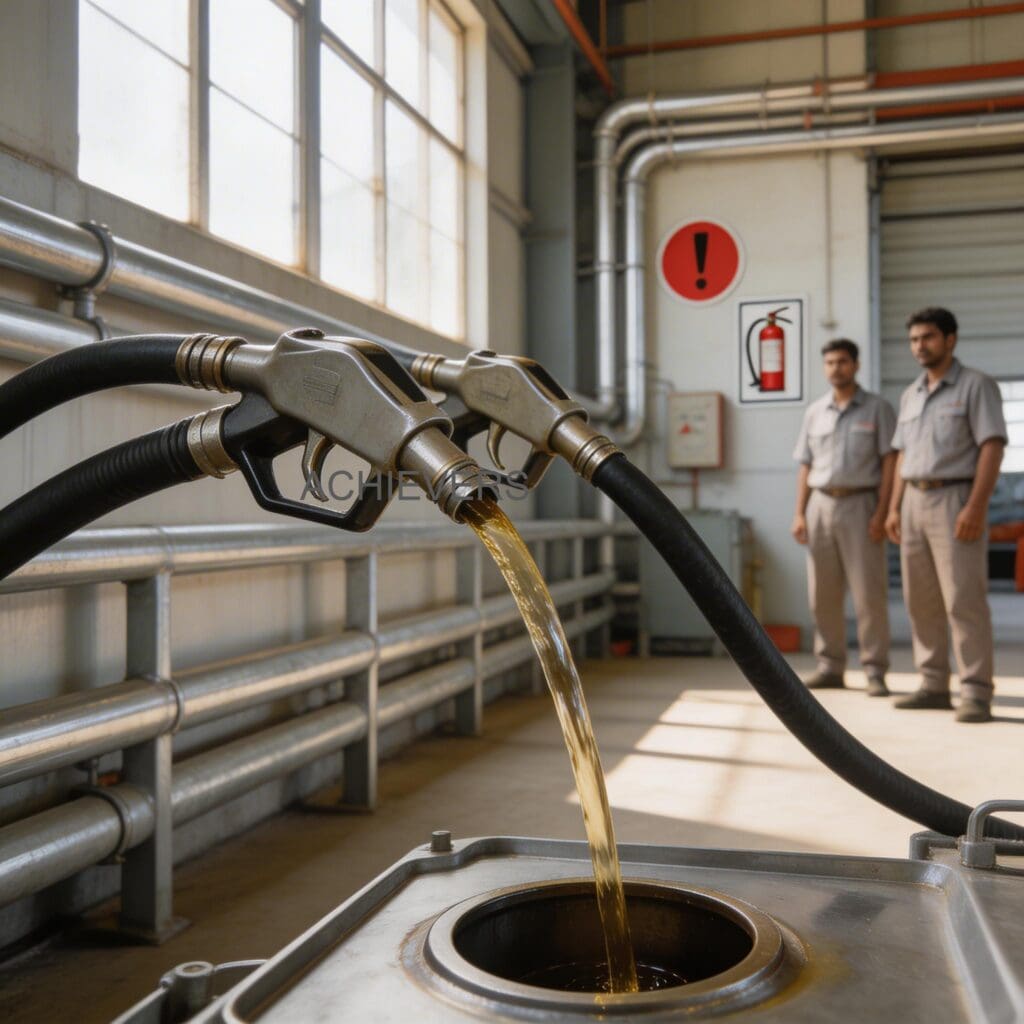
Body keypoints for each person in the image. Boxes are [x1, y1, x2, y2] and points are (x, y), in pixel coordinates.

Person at [885, 307, 1007, 723]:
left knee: (963, 599)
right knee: (921, 601)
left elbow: (992, 447)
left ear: (950, 340)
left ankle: (975, 692)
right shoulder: (911, 394)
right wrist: (894, 507)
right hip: (913, 502)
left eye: (929, 337)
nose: (920, 346)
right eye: (914, 339)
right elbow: (902, 455)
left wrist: (976, 506)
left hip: (955, 499)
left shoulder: (976, 386)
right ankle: (934, 684)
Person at [792, 339, 897, 696]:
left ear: (856, 365)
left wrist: (883, 511)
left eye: (842, 361)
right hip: (820, 505)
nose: (836, 368)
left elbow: (890, 462)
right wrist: (799, 513)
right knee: (822, 594)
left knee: (869, 594)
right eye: (830, 362)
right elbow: (805, 465)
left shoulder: (878, 409)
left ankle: (875, 670)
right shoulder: (814, 412)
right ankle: (830, 666)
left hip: (861, 505)